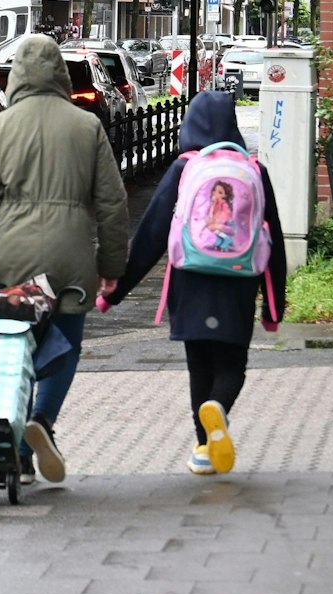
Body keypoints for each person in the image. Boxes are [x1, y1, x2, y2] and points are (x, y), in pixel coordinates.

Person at [0, 34, 130, 483]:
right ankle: (42, 421)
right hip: (70, 256)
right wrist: (112, 267)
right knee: (66, 346)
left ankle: (18, 456)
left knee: (15, 354)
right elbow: (112, 203)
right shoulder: (87, 127)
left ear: (16, 74)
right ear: (60, 74)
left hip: (10, 257)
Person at [102, 91, 287, 475]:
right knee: (232, 364)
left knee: (199, 365)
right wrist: (273, 308)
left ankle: (203, 448)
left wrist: (115, 293)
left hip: (190, 279)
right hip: (239, 280)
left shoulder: (185, 167)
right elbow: (276, 241)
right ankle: (218, 407)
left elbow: (151, 235)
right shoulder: (254, 169)